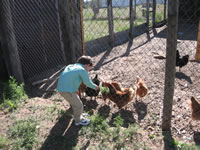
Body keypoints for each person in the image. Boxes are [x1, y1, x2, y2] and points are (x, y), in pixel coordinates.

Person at [56, 55, 99, 126]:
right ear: (87, 65)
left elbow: (70, 78)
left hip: (62, 88)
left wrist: (74, 89)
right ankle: (78, 121)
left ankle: (79, 114)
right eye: (89, 68)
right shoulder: (82, 70)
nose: (88, 70)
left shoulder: (70, 66)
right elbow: (87, 83)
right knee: (78, 105)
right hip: (67, 91)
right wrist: (96, 87)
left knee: (77, 102)